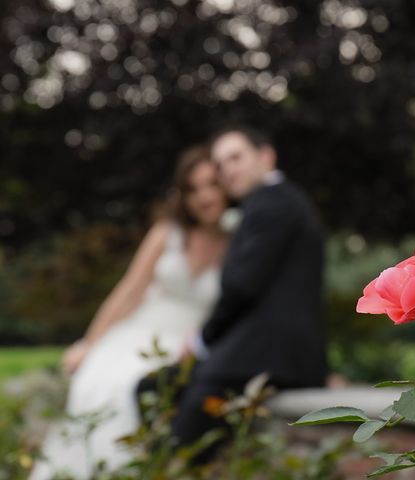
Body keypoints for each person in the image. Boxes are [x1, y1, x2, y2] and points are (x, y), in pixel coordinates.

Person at [30, 146, 229, 479]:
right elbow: (127, 293)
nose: (204, 197)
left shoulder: (239, 240)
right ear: (183, 194)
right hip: (139, 332)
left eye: (212, 185)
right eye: (193, 189)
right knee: (105, 381)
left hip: (188, 343)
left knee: (145, 387)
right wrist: (88, 343)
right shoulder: (168, 233)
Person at [136, 125, 327, 462]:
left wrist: (202, 341)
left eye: (236, 157)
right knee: (150, 387)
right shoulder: (278, 200)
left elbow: (241, 287)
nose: (228, 171)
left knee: (178, 453)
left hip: (261, 357)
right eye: (221, 165)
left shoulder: (271, 202)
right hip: (256, 352)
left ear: (266, 156)